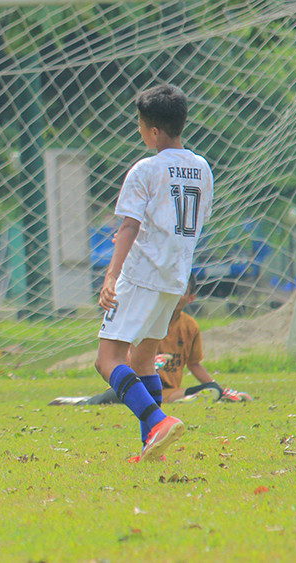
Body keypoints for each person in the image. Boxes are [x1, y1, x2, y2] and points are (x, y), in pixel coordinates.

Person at [94, 83, 214, 462]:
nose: (141, 131)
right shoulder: (201, 168)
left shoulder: (145, 169)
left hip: (142, 274)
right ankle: (154, 445)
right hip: (174, 279)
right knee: (143, 361)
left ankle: (157, 419)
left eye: (141, 125)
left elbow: (129, 226)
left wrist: (112, 276)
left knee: (107, 359)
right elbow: (191, 221)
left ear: (154, 131)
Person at [50, 274, 252, 405]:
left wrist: (217, 387)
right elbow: (118, 358)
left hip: (170, 393)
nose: (173, 296)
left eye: (180, 292)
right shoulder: (146, 319)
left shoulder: (190, 326)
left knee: (211, 390)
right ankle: (78, 402)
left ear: (190, 297)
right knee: (110, 399)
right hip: (139, 386)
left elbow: (195, 364)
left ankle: (216, 396)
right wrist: (147, 363)